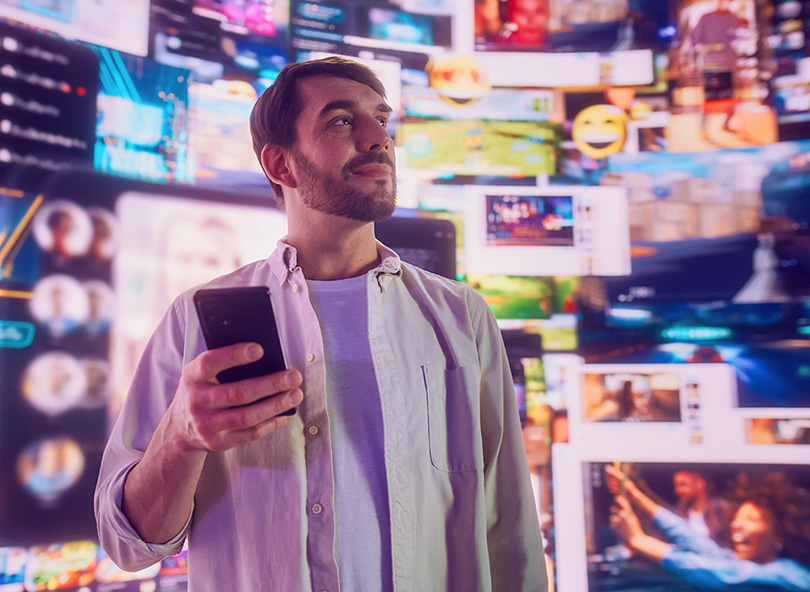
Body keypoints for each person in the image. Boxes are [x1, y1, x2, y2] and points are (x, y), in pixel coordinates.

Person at [95, 57, 547, 591]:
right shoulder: (195, 318)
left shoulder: (461, 317)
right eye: (341, 121)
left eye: (382, 120)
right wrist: (182, 438)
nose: (378, 137)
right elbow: (127, 544)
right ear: (281, 165)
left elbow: (510, 532)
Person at [605, 465, 810, 591]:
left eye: (751, 518)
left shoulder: (791, 576)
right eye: (737, 518)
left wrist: (640, 541)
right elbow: (694, 541)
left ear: (779, 534)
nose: (736, 524)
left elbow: (723, 574)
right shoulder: (747, 563)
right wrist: (635, 495)